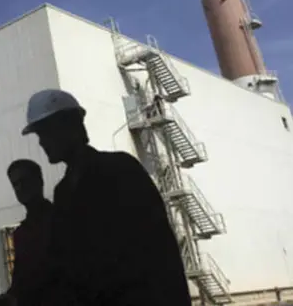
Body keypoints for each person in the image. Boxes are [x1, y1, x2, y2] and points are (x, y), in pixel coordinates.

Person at [21, 89, 191, 306]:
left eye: (45, 133)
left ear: (70, 126)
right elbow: (63, 263)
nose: (41, 143)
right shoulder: (63, 192)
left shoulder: (119, 170)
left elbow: (157, 252)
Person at [0, 160, 54, 306]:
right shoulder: (21, 234)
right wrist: (8, 298)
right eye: (15, 184)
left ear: (39, 181)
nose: (20, 188)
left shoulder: (59, 220)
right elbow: (20, 282)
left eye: (24, 181)